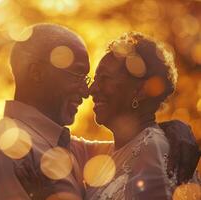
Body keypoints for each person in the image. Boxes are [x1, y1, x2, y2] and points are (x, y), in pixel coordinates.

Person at [0, 24, 199, 200]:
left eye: (102, 79)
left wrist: (172, 130)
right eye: (77, 75)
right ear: (37, 73)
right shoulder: (7, 153)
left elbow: (139, 146)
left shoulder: (69, 147)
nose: (88, 89)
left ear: (139, 91)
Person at [84, 32, 200, 199]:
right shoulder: (108, 151)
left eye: (105, 79)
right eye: (95, 80)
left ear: (139, 91)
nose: (92, 90)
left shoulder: (155, 150)